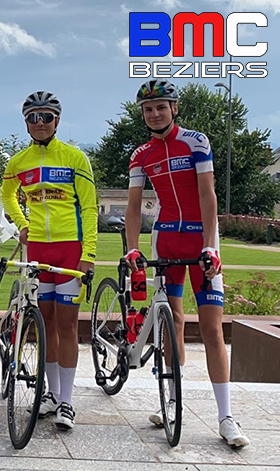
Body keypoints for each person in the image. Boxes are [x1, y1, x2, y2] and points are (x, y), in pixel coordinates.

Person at [126, 79, 249, 447]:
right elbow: (133, 207)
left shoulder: (196, 142)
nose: (155, 113)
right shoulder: (140, 154)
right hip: (165, 238)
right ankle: (173, 401)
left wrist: (212, 246)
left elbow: (208, 195)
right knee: (172, 322)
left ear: (174, 108)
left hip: (200, 241)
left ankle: (226, 417)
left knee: (212, 329)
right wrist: (132, 248)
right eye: (148, 109)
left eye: (161, 107)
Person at [0, 91, 97, 430]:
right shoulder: (19, 162)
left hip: (70, 249)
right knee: (46, 326)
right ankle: (51, 394)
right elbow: (7, 196)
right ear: (25, 122)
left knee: (68, 326)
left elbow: (89, 207)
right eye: (33, 118)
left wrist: (90, 254)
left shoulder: (74, 157)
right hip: (38, 250)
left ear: (58, 120)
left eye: (46, 117)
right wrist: (23, 225)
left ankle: (67, 401)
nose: (40, 123)